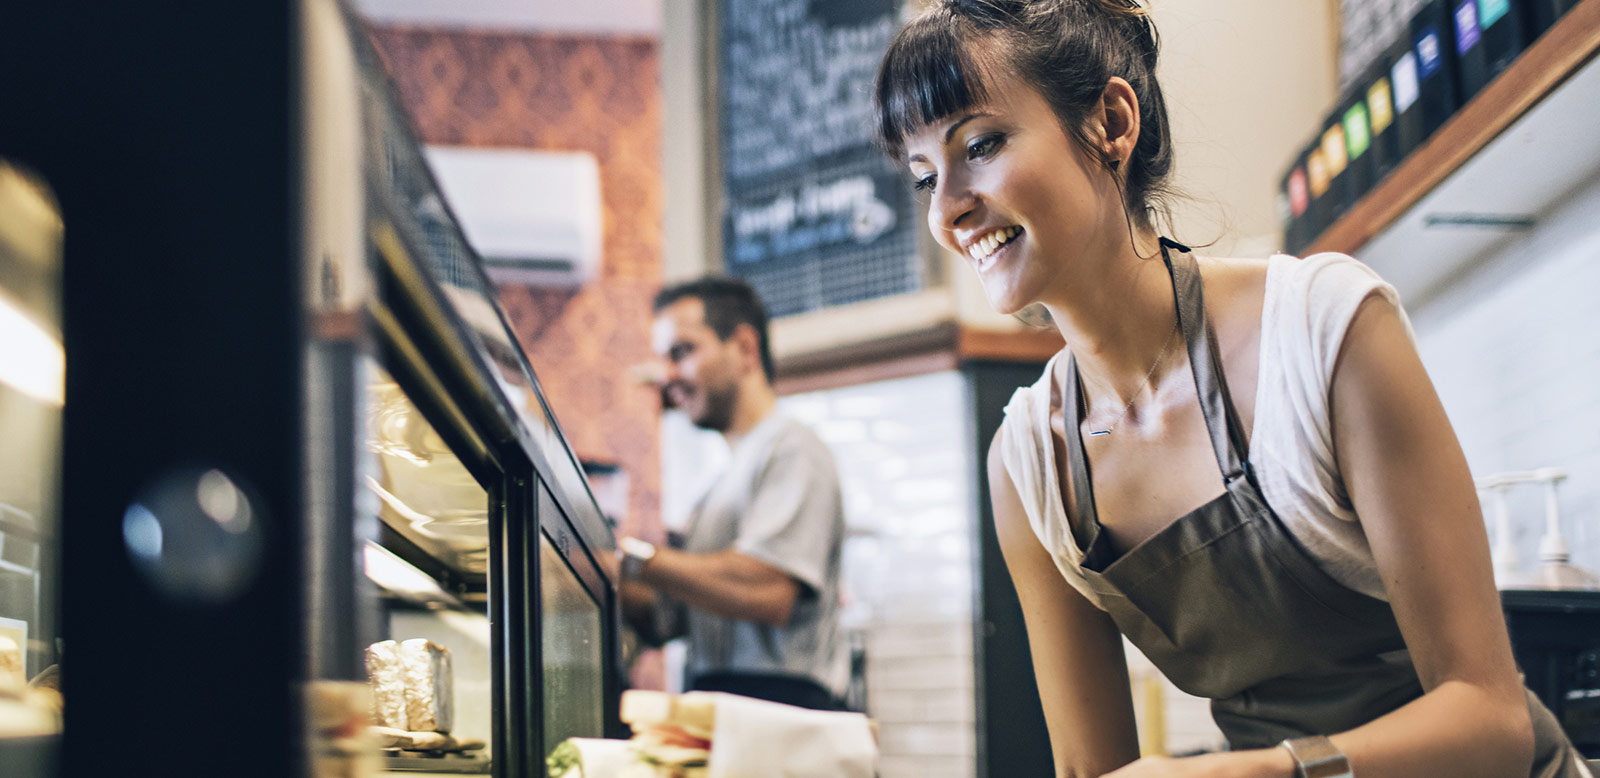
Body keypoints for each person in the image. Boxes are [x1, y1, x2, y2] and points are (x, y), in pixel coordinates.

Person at [874, 1, 1590, 776]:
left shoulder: (1321, 331)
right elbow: (1091, 769)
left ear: (1113, 122)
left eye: (979, 146)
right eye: (923, 180)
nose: (948, 209)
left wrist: (1257, 771)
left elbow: (1492, 722)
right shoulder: (1030, 463)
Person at [614, 276, 848, 711]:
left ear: (743, 347)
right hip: (720, 700)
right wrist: (590, 567)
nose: (668, 377)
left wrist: (636, 558)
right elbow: (669, 617)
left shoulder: (792, 447)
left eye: (682, 352)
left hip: (784, 709)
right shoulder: (715, 488)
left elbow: (768, 589)